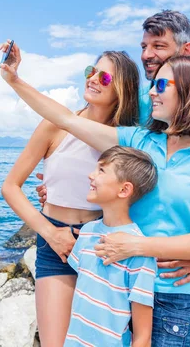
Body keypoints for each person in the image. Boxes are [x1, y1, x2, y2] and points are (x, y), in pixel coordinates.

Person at [37, 10, 190, 346]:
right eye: (143, 45)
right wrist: (60, 183)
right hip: (130, 252)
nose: (147, 54)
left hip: (188, 240)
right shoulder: (138, 101)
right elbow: (92, 136)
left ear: (187, 52)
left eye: (158, 45)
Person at [0, 42, 141, 346]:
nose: (92, 78)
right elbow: (10, 186)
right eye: (92, 71)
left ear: (122, 91)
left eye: (105, 78)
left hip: (101, 245)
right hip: (55, 243)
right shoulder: (54, 125)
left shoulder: (123, 141)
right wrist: (51, 233)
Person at [66, 146, 158, 347]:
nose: (91, 175)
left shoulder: (139, 252)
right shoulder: (88, 232)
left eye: (101, 170)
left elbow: (143, 337)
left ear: (124, 189)